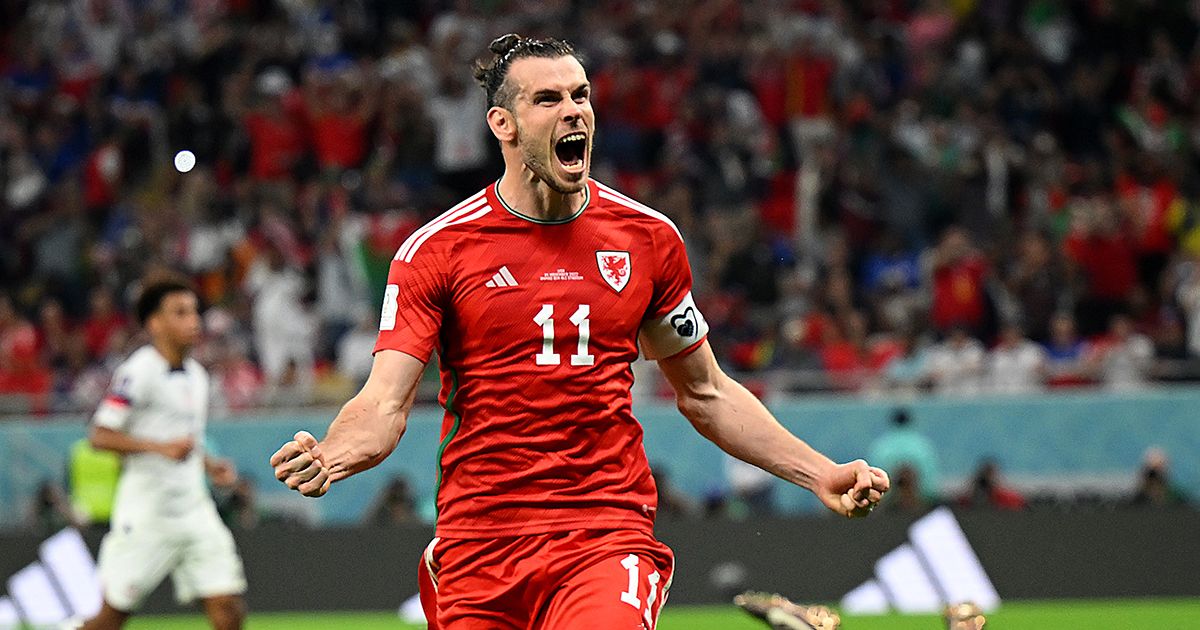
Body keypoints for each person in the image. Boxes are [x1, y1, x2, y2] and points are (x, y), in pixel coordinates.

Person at [271, 34, 889, 630]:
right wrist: (332, 453)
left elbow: (707, 393)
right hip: (481, 542)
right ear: (502, 125)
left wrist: (820, 473)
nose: (573, 112)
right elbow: (383, 405)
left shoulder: (647, 240)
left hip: (604, 533)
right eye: (548, 99)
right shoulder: (438, 251)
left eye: (581, 95)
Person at [81, 278, 246, 630]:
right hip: (147, 513)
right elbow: (100, 435)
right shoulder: (137, 372)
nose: (194, 321)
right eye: (180, 313)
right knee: (111, 619)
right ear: (155, 323)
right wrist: (158, 448)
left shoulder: (198, 376)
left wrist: (210, 466)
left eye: (195, 312)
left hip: (194, 509)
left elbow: (188, 440)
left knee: (228, 607)